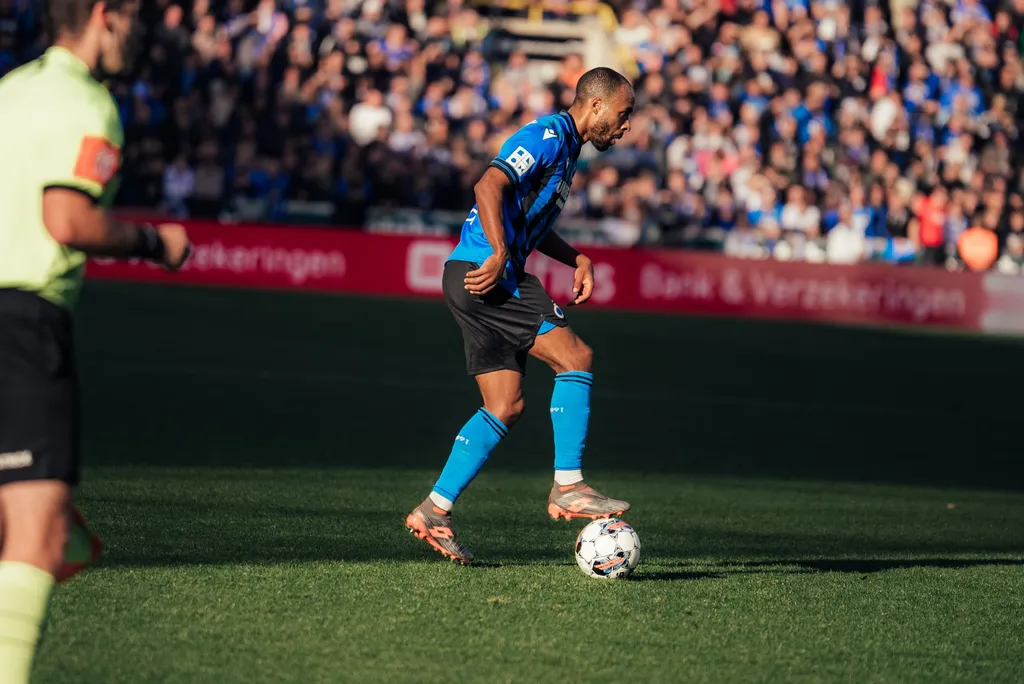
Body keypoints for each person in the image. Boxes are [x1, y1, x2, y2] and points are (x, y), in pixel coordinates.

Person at [0, 2, 192, 681]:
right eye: (134, 15)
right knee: (38, 532)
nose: (138, 31)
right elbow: (68, 218)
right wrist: (154, 241)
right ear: (105, 15)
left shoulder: (11, 89)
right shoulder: (86, 101)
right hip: (20, 323)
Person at [405, 67, 635, 563]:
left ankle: (434, 509)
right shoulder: (547, 135)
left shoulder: (568, 150)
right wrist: (499, 253)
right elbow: (488, 186)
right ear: (594, 106)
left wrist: (575, 256)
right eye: (623, 114)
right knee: (576, 357)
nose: (626, 126)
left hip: (469, 274)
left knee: (504, 405)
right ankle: (568, 485)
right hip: (489, 273)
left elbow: (527, 218)